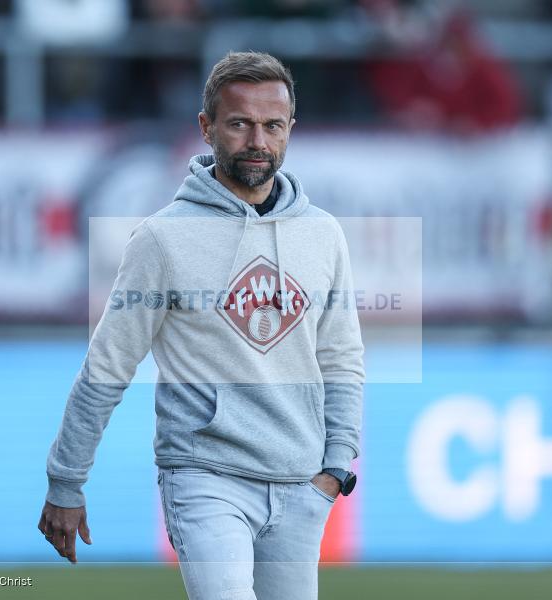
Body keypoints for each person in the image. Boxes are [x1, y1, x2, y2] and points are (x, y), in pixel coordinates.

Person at [37, 51, 365, 600]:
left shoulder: (323, 234)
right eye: (240, 124)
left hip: (301, 486)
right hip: (205, 477)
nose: (258, 141)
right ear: (206, 128)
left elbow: (342, 357)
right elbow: (108, 366)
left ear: (290, 130)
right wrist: (66, 480)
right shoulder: (162, 239)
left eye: (273, 125)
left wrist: (333, 470)